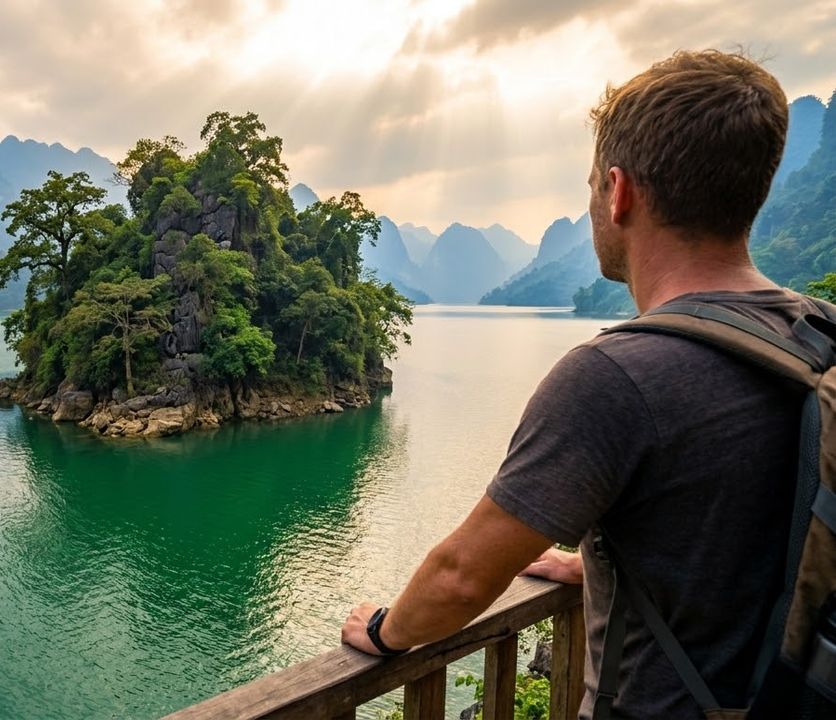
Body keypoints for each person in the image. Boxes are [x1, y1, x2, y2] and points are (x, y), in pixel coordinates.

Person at [342, 49, 827, 718]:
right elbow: (765, 511)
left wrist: (382, 630)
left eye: (593, 185)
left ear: (620, 192)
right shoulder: (820, 334)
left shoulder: (617, 376)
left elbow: (462, 576)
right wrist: (607, 563)